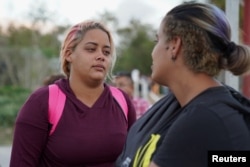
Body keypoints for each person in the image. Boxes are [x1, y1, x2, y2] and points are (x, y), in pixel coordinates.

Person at [116, 2, 250, 167]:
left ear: (174, 45)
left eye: (157, 40)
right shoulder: (192, 106)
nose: (153, 51)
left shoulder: (205, 119)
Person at [10, 20, 136, 167]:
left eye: (106, 52)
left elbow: (134, 158)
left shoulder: (122, 101)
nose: (101, 56)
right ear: (69, 54)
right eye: (91, 49)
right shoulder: (42, 102)